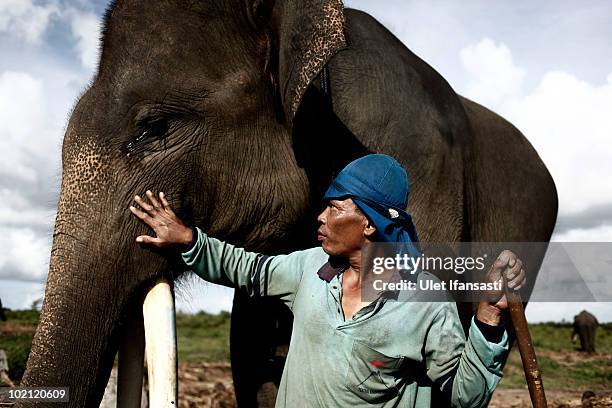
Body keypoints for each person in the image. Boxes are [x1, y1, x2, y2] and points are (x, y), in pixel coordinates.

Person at [129, 154, 526, 407]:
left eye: (335, 208)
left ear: (369, 224)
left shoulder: (425, 303)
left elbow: (465, 396)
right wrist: (187, 239)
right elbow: (246, 268)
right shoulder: (308, 269)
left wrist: (488, 316)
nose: (321, 218)